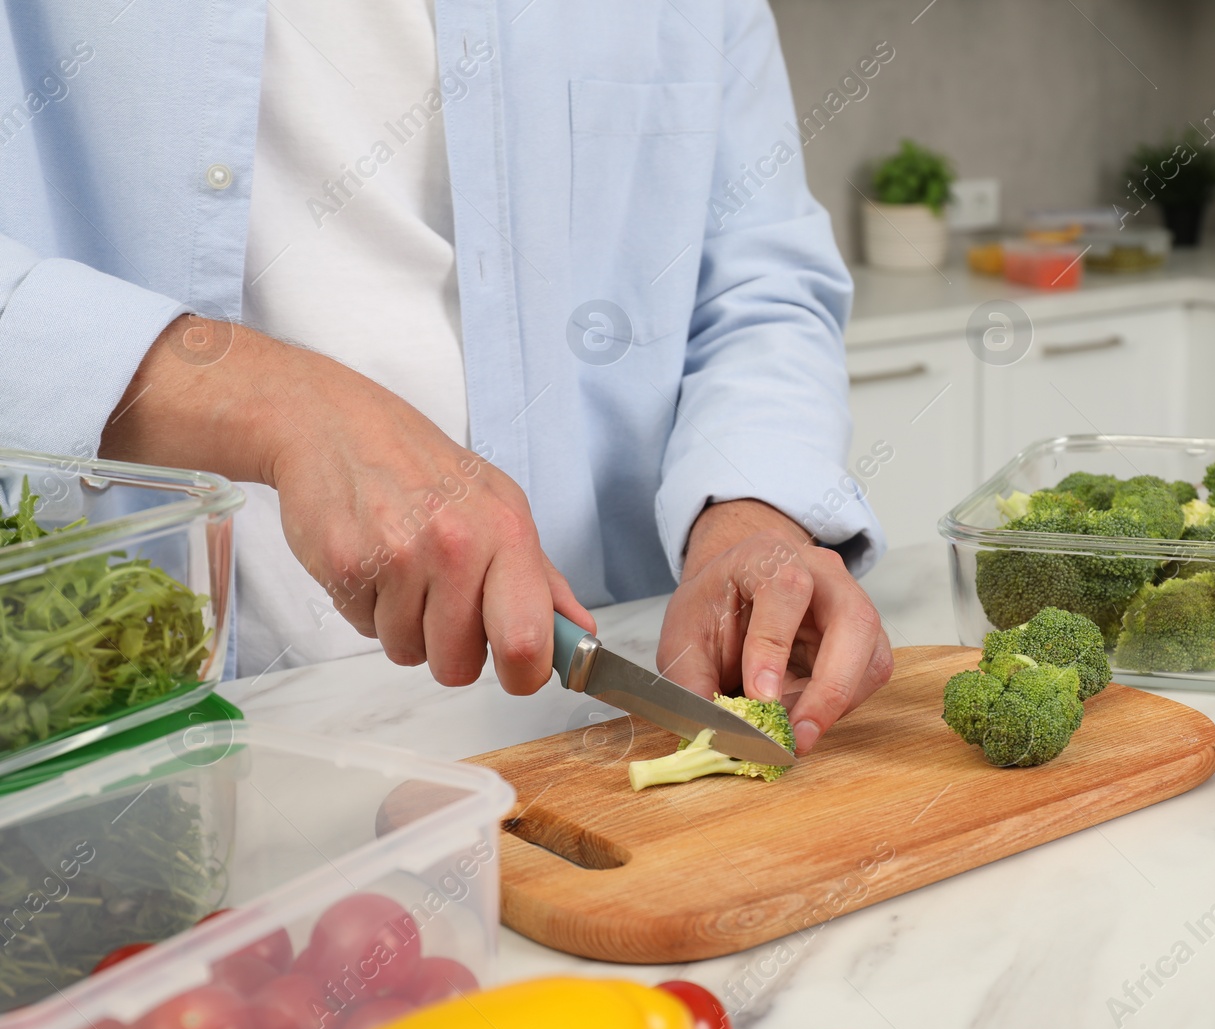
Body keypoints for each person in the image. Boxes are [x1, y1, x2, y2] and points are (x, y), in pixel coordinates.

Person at [0, 0, 892, 754]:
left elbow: (757, 278)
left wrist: (745, 515)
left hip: (576, 733)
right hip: (118, 743)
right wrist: (273, 404)